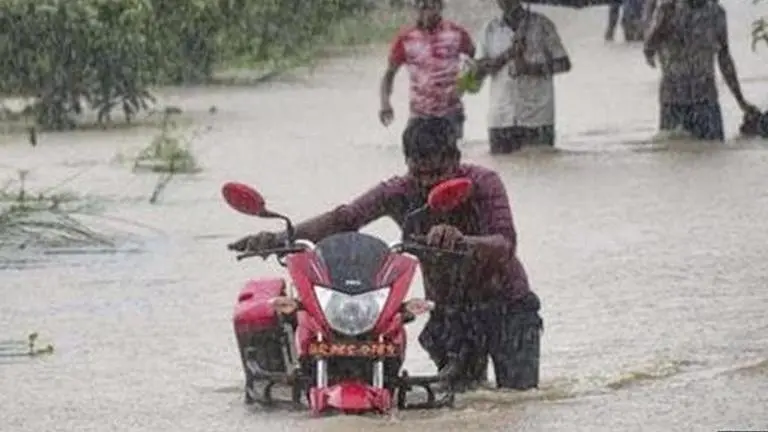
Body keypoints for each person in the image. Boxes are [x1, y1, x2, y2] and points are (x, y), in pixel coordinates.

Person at [229, 117, 543, 391]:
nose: (427, 183)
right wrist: (281, 237)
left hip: (507, 306)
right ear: (407, 164)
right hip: (450, 311)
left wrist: (463, 242)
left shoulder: (483, 184)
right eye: (418, 173)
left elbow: (505, 243)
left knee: (516, 401)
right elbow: (345, 219)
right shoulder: (400, 192)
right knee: (463, 401)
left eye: (437, 174)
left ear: (456, 160)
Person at [643, 0, 759, 140]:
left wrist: (741, 101)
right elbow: (648, 49)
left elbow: (724, 58)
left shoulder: (716, 13)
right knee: (674, 152)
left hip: (706, 100)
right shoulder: (668, 9)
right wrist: (662, 24)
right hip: (674, 101)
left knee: (713, 153)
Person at [471, 0, 571, 154]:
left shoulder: (542, 25)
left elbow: (563, 63)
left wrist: (531, 68)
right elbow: (478, 71)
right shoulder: (490, 29)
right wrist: (508, 54)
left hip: (537, 117)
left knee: (541, 167)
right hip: (501, 118)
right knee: (503, 170)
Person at [378, 0, 476, 140]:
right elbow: (389, 75)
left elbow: (475, 61)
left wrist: (466, 82)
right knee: (416, 158)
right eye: (421, 6)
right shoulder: (405, 39)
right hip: (419, 115)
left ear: (440, 7)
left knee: (449, 159)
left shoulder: (457, 34)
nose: (425, 11)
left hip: (451, 114)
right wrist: (385, 104)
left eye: (430, 6)